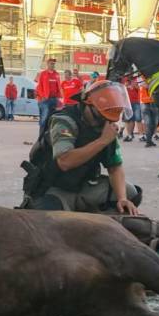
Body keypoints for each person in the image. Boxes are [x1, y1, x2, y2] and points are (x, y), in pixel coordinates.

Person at [20, 80, 141, 215]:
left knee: (131, 193)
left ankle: (89, 213)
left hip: (84, 185)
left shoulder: (106, 126)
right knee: (50, 220)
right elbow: (65, 161)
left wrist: (122, 199)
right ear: (88, 104)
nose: (106, 121)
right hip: (54, 186)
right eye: (102, 115)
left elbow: (115, 167)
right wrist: (102, 141)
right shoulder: (64, 121)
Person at [36, 58, 62, 135]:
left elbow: (58, 86)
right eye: (51, 63)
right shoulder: (43, 74)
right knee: (44, 119)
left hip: (54, 99)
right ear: (47, 64)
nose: (53, 65)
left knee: (53, 118)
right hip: (45, 100)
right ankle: (41, 137)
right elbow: (39, 87)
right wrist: (43, 96)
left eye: (53, 64)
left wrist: (58, 96)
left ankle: (49, 135)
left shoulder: (56, 74)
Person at [139, 80, 159, 147]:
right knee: (148, 123)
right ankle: (148, 141)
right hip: (145, 102)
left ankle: (149, 139)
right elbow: (145, 85)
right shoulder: (141, 76)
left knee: (155, 123)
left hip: (154, 102)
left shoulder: (154, 77)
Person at [122, 77, 141, 142]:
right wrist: (126, 86)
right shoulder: (125, 79)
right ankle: (129, 135)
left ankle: (131, 134)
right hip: (127, 102)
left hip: (136, 101)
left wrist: (135, 86)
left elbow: (139, 89)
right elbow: (121, 90)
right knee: (127, 119)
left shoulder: (136, 79)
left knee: (134, 119)